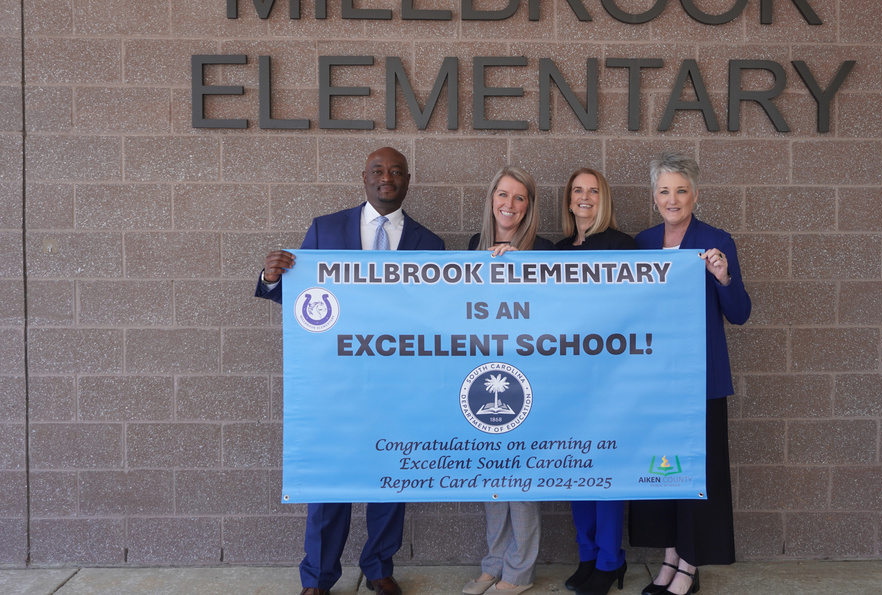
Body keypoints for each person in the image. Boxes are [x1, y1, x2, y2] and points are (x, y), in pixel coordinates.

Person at [255, 147, 445, 595]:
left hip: (398, 384)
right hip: (334, 383)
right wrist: (272, 278)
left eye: (396, 172)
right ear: (364, 177)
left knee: (391, 477)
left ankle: (379, 568)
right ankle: (318, 577)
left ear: (407, 180)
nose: (386, 178)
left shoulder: (431, 245)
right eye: (378, 171)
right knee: (330, 480)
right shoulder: (326, 229)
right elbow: (302, 301)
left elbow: (439, 315)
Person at [628, 152, 751, 595]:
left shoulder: (715, 240)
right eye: (664, 191)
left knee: (697, 476)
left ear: (695, 195)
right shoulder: (642, 243)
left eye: (681, 190)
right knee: (663, 474)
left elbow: (739, 313)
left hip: (700, 383)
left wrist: (723, 277)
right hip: (654, 383)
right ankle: (669, 559)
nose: (673, 199)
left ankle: (689, 567)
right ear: (654, 197)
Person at [464, 166, 552, 595]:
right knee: (491, 477)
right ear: (491, 198)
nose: (510, 204)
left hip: (529, 377)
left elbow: (557, 311)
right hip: (483, 374)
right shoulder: (472, 247)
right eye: (503, 194)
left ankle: (519, 570)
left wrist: (521, 264)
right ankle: (494, 562)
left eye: (520, 197)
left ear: (529, 206)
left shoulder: (545, 251)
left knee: (521, 478)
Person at [555, 168, 635, 595]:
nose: (584, 198)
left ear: (603, 199)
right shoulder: (557, 251)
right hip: (567, 381)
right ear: (569, 200)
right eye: (577, 191)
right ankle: (587, 556)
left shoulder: (624, 247)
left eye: (593, 191)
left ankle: (609, 560)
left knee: (605, 471)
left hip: (609, 379)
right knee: (575, 469)